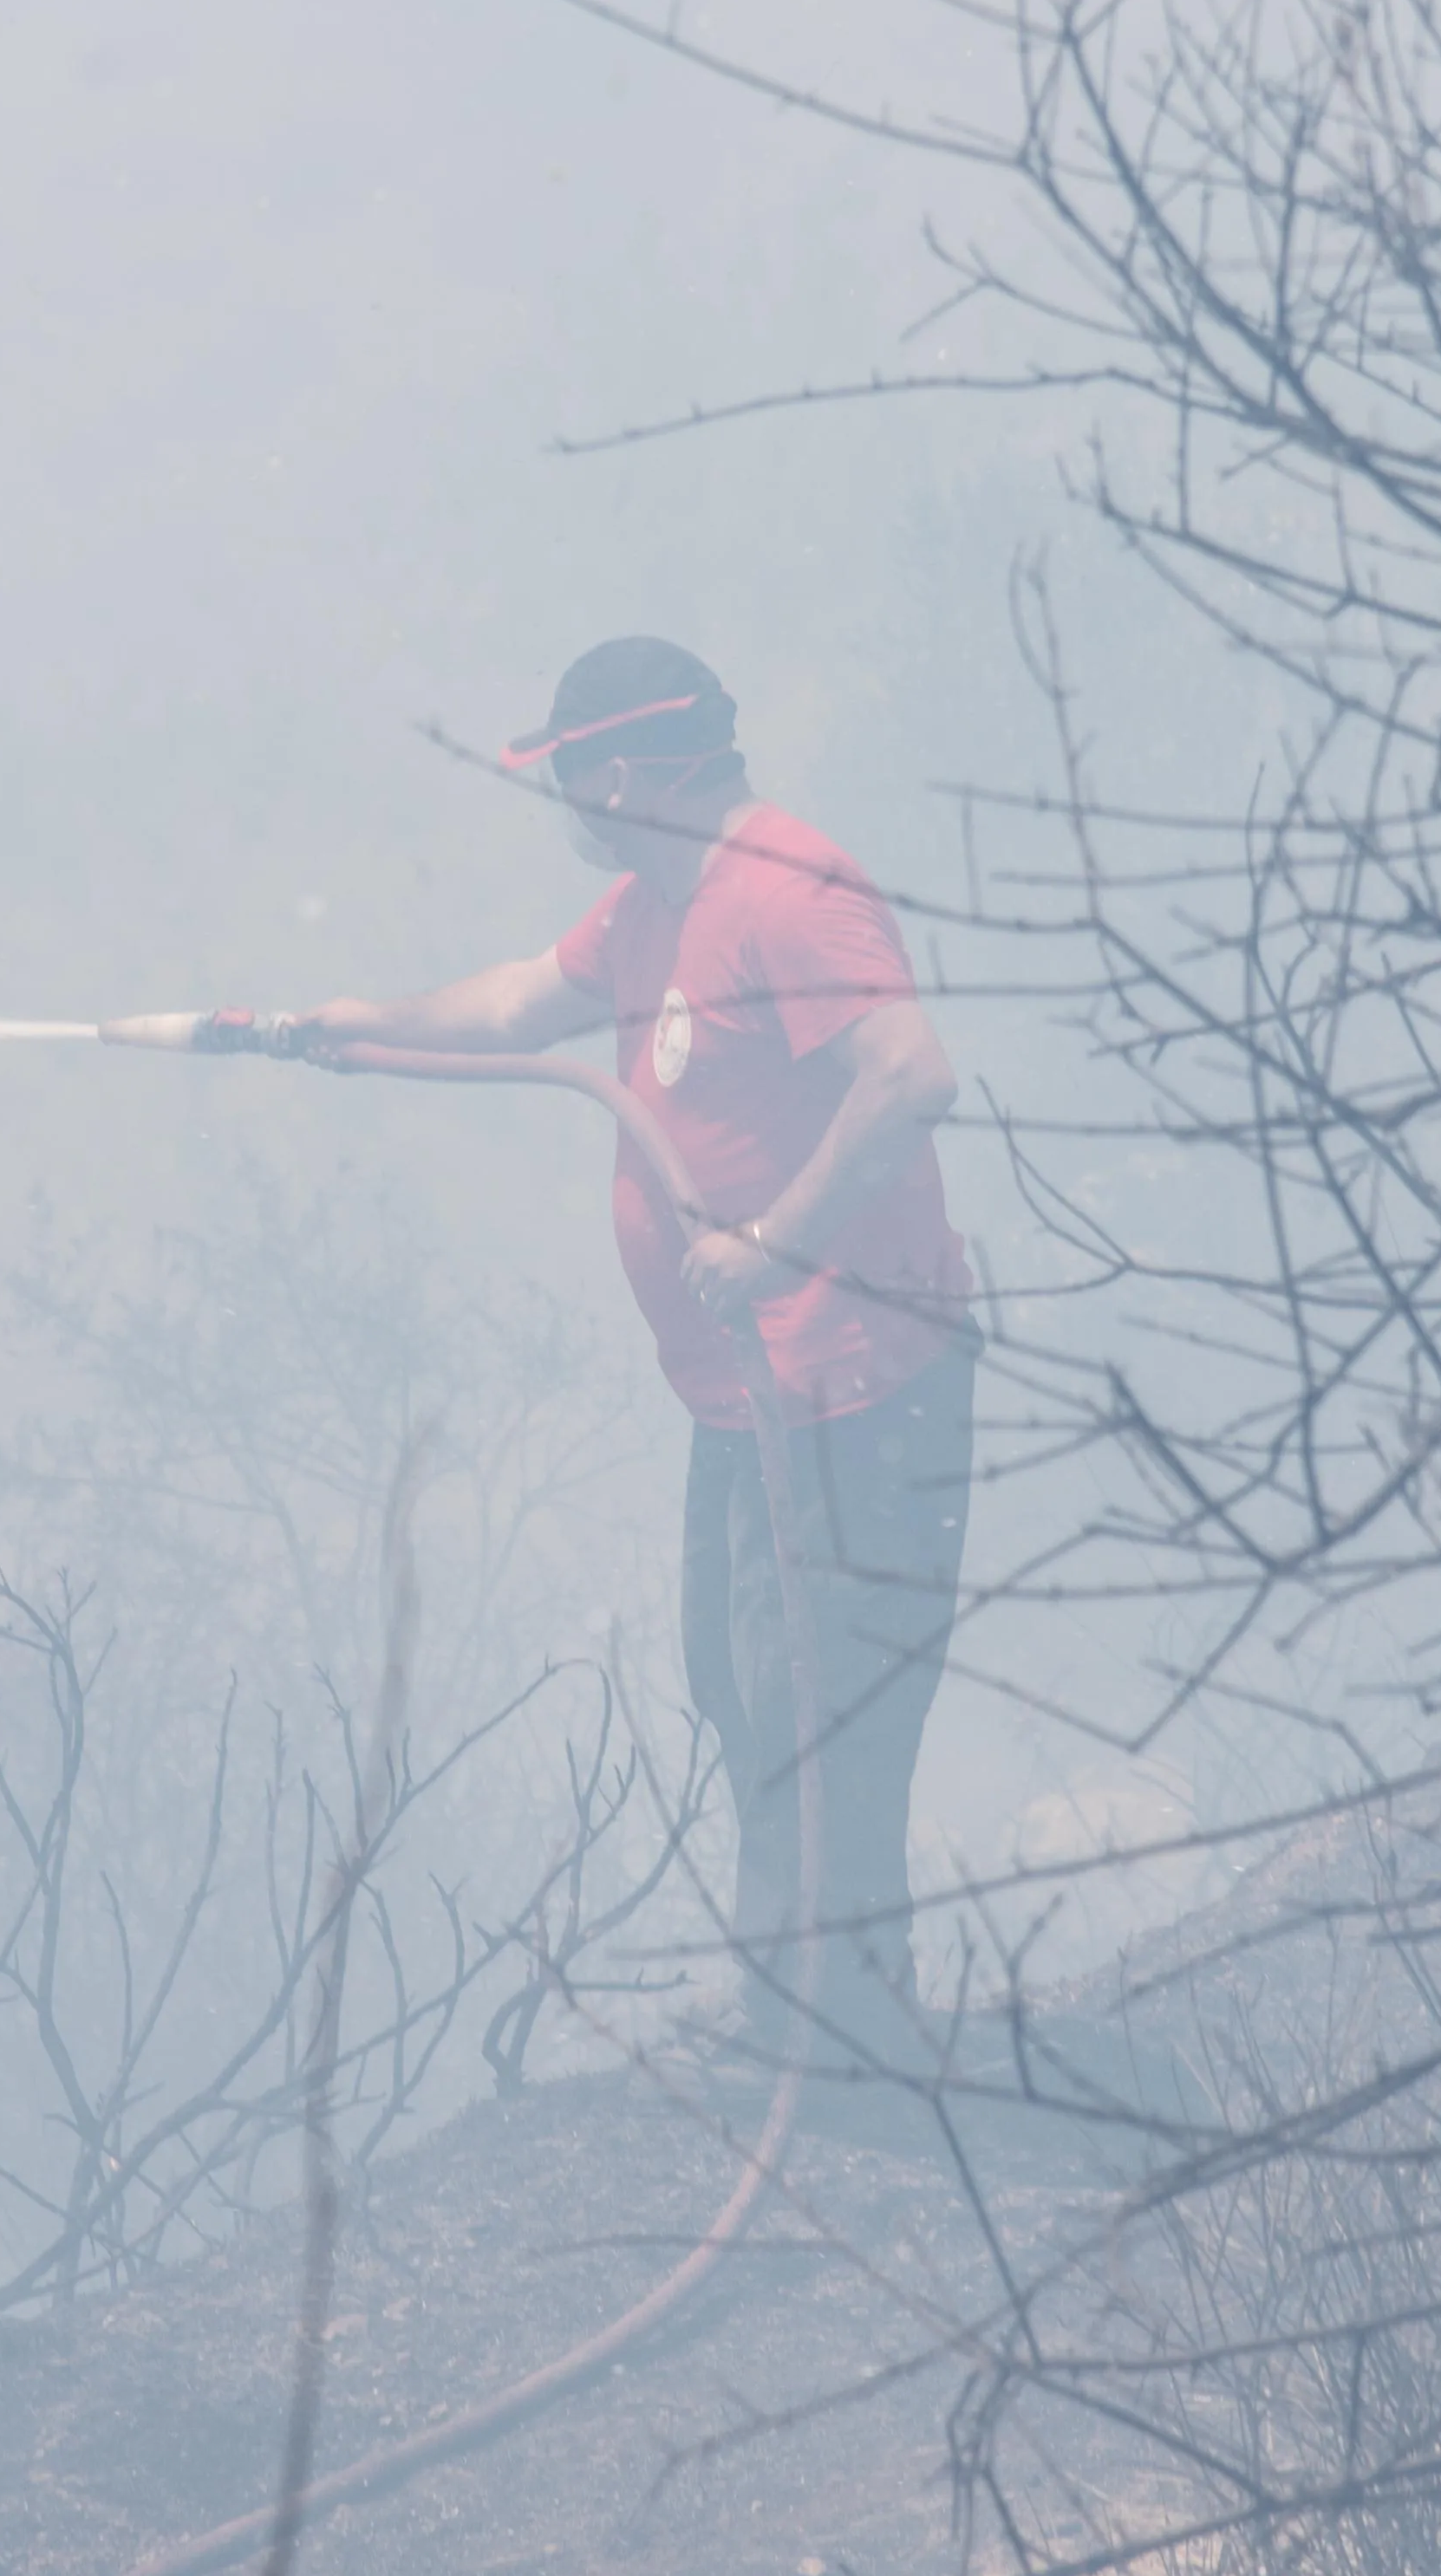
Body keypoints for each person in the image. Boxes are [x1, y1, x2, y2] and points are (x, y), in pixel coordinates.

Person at [283, 636, 975, 2066]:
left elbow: (912, 1078)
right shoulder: (651, 908)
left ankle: (836, 2026)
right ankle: (808, 1999)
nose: (570, 810)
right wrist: (344, 1027)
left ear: (635, 768)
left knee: (824, 1694)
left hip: (859, 1387)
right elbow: (518, 1005)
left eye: (576, 780)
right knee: (740, 1679)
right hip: (749, 1393)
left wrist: (775, 1239)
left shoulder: (788, 893)